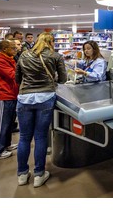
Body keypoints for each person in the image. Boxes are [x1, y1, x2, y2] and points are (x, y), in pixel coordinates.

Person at [15, 32, 67, 187]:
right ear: (51, 42)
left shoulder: (24, 55)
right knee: (40, 137)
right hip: (46, 97)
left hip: (25, 98)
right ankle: (39, 174)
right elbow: (63, 79)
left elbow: (18, 78)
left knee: (24, 137)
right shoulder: (55, 56)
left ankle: (22, 174)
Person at [0, 40, 19, 159]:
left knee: (8, 124)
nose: (15, 49)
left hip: (11, 95)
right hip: (3, 96)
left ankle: (6, 145)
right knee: (1, 124)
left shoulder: (9, 60)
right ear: (4, 49)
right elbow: (13, 75)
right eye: (13, 48)